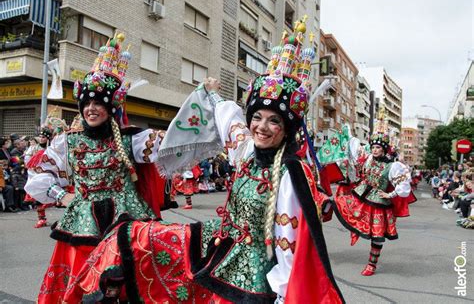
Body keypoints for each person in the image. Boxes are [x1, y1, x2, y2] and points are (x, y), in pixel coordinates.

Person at [65, 19, 344, 303]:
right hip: (224, 244)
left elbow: (290, 247)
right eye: (257, 117)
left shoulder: (290, 173)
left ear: (288, 128)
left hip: (254, 273)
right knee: (133, 237)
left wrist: (283, 296)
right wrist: (210, 94)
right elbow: (228, 119)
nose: (261, 126)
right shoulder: (247, 150)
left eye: (274, 121)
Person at [24, 33, 166, 303]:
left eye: (99, 102)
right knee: (81, 286)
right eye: (87, 103)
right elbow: (37, 172)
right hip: (83, 223)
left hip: (126, 221)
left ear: (111, 107)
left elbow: (172, 149)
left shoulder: (131, 139)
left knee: (128, 284)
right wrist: (60, 195)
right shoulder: (69, 141)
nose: (91, 108)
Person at [331, 109, 416, 276]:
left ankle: (372, 265)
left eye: (378, 147)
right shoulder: (368, 158)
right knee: (337, 203)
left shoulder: (393, 166)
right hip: (361, 193)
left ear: (384, 149)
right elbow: (354, 160)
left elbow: (404, 185)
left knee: (377, 235)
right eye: (373, 147)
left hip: (379, 202)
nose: (375, 150)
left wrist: (390, 195)